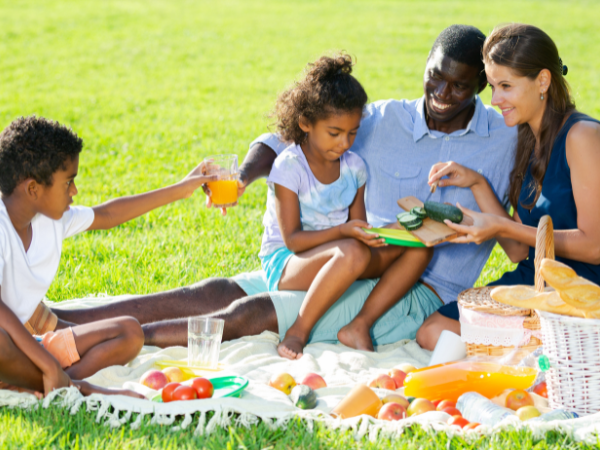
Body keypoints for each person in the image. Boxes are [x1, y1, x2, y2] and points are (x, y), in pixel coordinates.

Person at [54, 25, 517, 351]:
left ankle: (92, 339)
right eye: (435, 75)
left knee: (251, 312)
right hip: (347, 256)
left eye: (459, 86)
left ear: (482, 86)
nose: (441, 92)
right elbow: (286, 138)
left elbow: (529, 226)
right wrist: (246, 176)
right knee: (213, 291)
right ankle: (65, 321)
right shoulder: (382, 118)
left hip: (413, 289)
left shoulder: (507, 140)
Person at [0, 116, 216, 398]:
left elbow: (109, 214)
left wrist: (182, 188)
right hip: (7, 344)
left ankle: (49, 382)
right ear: (33, 189)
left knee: (129, 332)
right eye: (68, 183)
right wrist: (48, 364)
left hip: (27, 346)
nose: (75, 192)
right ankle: (75, 386)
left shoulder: (50, 219)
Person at [417, 23, 600, 350]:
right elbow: (517, 251)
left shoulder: (582, 137)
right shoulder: (527, 139)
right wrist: (477, 183)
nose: (495, 99)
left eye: (505, 86)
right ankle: (537, 350)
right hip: (536, 281)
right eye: (491, 87)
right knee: (435, 330)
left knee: (455, 339)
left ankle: (551, 350)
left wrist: (501, 225)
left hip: (584, 288)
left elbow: (594, 246)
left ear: (542, 80)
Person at [260, 53, 433, 359]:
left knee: (420, 246)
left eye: (352, 133)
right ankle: (299, 330)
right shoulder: (289, 167)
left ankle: (359, 326)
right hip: (289, 261)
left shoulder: (354, 168)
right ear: (306, 123)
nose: (344, 143)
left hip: (344, 254)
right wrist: (346, 233)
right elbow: (293, 240)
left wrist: (384, 233)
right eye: (334, 133)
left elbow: (357, 230)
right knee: (352, 252)